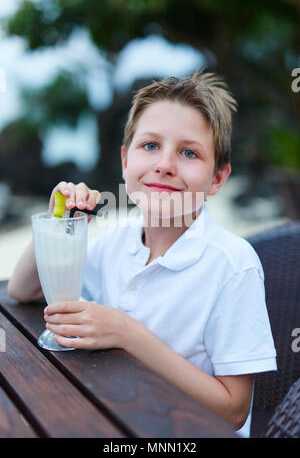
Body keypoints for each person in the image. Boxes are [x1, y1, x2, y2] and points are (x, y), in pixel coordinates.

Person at [7, 70, 277, 437]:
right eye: (150, 146)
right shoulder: (116, 241)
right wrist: (60, 221)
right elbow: (22, 291)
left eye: (188, 152)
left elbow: (232, 410)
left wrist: (126, 332)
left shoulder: (232, 265)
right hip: (122, 418)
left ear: (217, 178)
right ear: (124, 160)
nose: (164, 164)